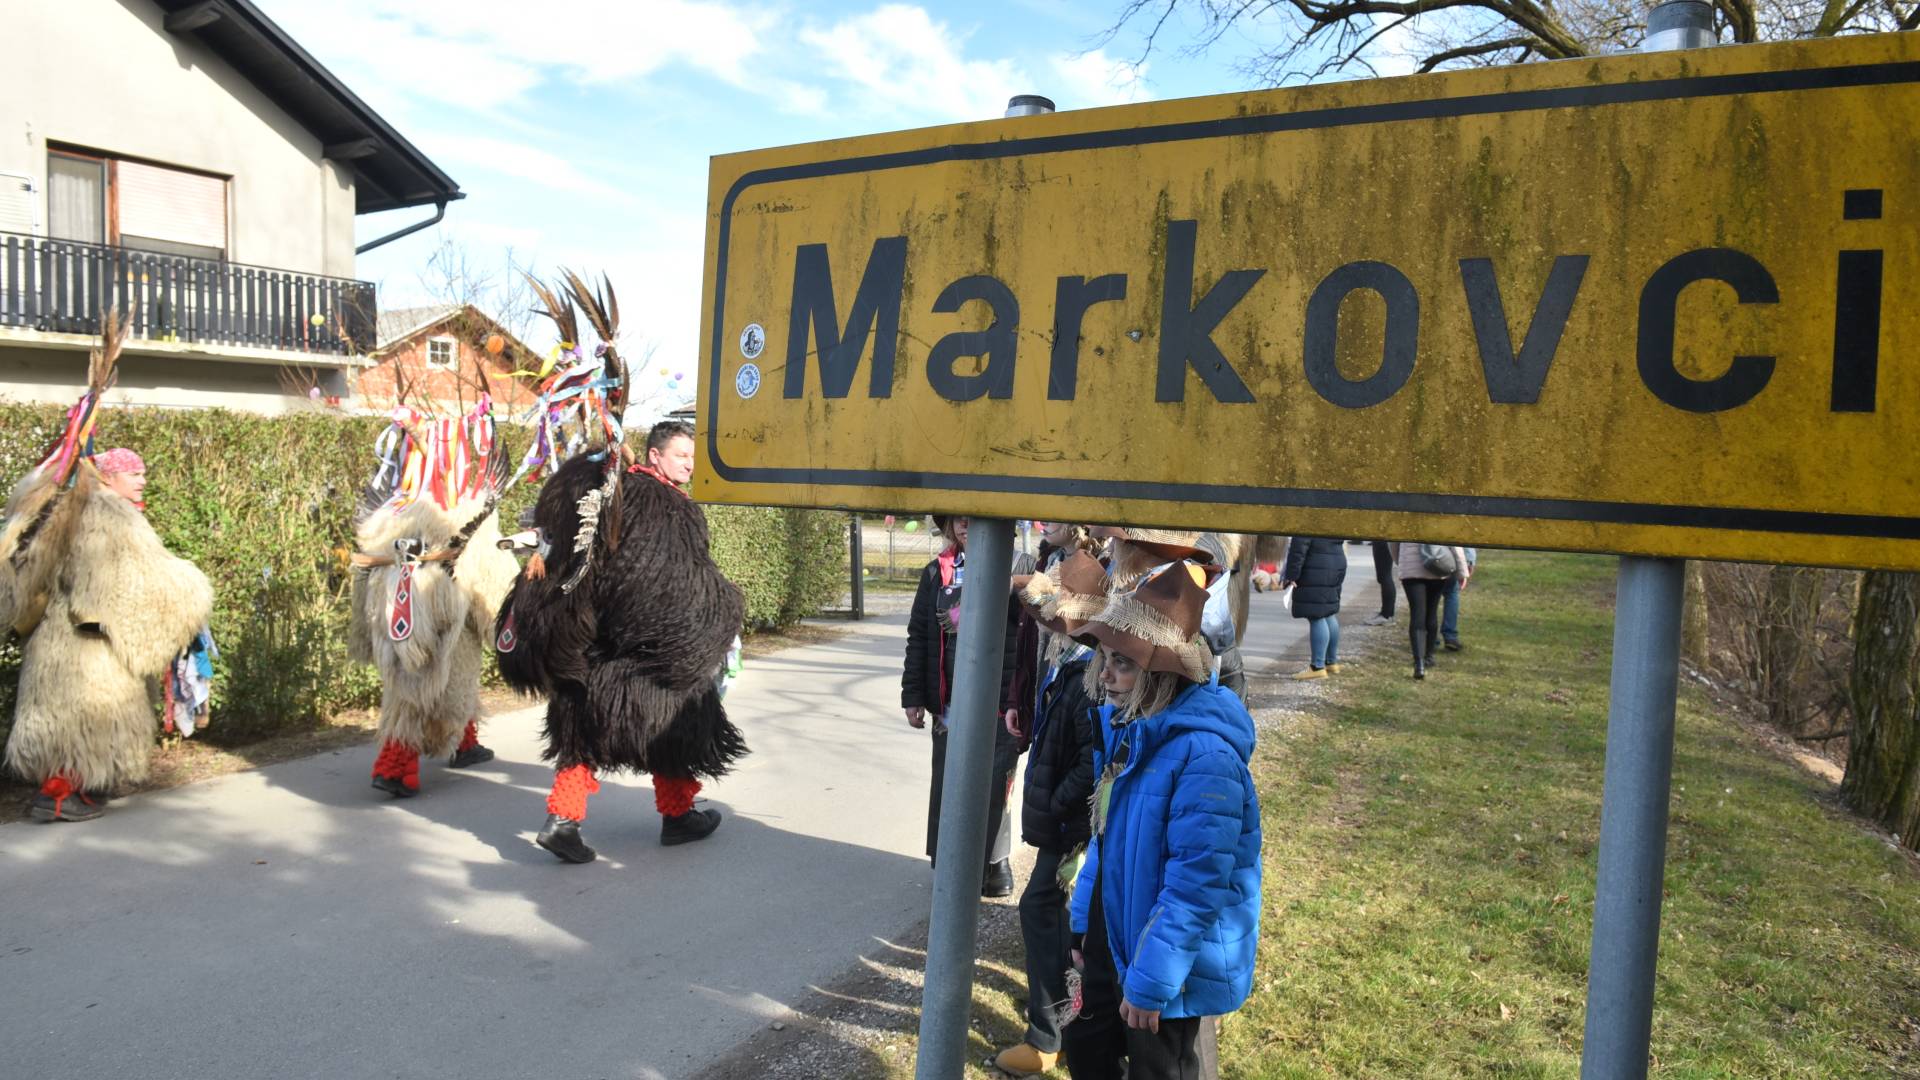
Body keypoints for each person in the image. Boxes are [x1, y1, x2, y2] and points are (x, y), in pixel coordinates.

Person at [495, 283, 746, 863]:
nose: (689, 465)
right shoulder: (660, 505)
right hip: (646, 660)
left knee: (582, 740)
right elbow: (667, 584)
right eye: (681, 456)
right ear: (655, 455)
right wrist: (725, 606)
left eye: (692, 458)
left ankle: (564, 820)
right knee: (679, 725)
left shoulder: (628, 497)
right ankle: (677, 817)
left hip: (599, 660)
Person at [1064, 566, 1262, 1080]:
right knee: (1085, 1043)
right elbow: (1106, 837)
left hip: (1166, 962)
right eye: (1105, 659)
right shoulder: (1131, 730)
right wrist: (1084, 920)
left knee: (1158, 1069)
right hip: (1116, 929)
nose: (1105, 676)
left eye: (1123, 663)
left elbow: (1197, 886)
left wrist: (1152, 983)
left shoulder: (1206, 758)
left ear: (1161, 673)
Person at [2, 446, 213, 822]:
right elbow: (138, 578)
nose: (142, 480)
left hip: (52, 639)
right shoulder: (110, 515)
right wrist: (192, 587)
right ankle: (63, 796)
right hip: (92, 647)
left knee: (60, 718)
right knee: (88, 719)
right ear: (109, 477)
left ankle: (68, 790)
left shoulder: (60, 509)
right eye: (133, 474)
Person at [350, 402, 519, 799]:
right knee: (419, 690)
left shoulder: (392, 512)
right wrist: (504, 622)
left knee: (449, 683)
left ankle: (466, 743)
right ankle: (395, 768)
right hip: (438, 609)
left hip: (396, 609)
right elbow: (489, 572)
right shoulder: (467, 511)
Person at [995, 551, 1107, 1076]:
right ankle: (1059, 1021)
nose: (1040, 621)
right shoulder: (1066, 660)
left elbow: (1090, 763)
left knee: (1046, 910)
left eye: (1048, 612)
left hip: (1073, 828)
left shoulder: (1089, 673)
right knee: (1051, 914)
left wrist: (1057, 804)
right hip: (1064, 822)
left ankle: (1051, 1034)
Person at [901, 514, 1036, 897]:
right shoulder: (936, 572)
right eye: (956, 519)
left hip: (1002, 702)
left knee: (996, 784)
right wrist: (913, 695)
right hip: (950, 704)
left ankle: (994, 861)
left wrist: (1010, 587)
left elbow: (1033, 630)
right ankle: (950, 865)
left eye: (973, 516)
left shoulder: (1023, 566)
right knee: (948, 783)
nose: (964, 524)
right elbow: (919, 635)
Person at [1395, 541, 1471, 679]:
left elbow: (1392, 542)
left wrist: (1401, 561)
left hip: (1410, 568)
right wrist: (1462, 572)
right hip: (1436, 563)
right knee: (1431, 612)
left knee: (1417, 614)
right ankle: (1428, 657)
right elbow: (1453, 542)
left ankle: (1419, 663)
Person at [1281, 535, 1348, 679]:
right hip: (1336, 561)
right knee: (1328, 613)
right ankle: (1331, 662)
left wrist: (1291, 574)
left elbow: (1299, 546)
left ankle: (1317, 666)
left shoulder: (1308, 519)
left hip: (1315, 565)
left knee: (1316, 616)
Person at [1440, 547, 1478, 650]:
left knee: (1430, 597)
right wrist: (1470, 561)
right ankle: (1450, 636)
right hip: (1450, 560)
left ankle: (1429, 637)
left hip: (1427, 560)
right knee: (1451, 594)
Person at [1364, 540, 1396, 625]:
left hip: (1383, 539)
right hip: (1383, 539)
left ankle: (1387, 615)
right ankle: (1387, 613)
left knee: (1385, 576)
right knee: (1383, 576)